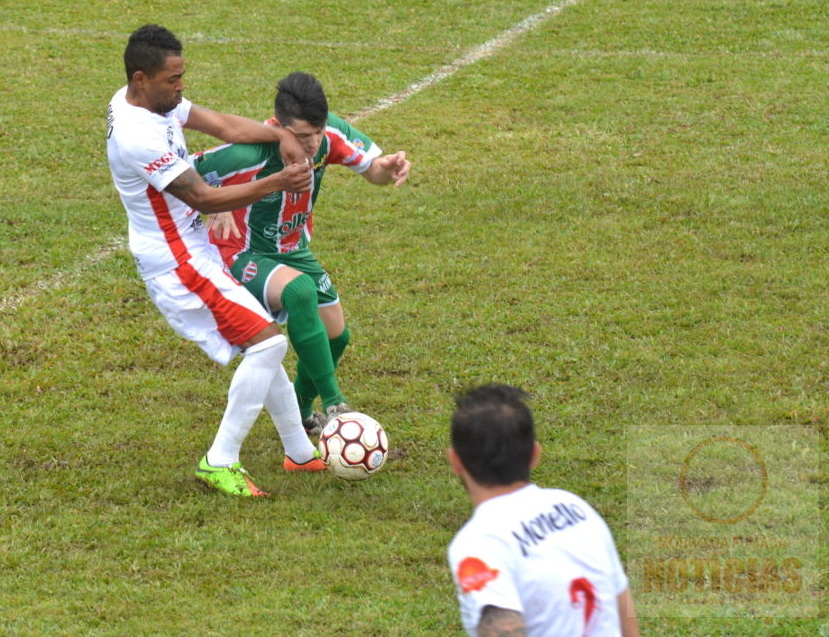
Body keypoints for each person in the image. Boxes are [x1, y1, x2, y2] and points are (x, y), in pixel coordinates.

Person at [105, 25, 327, 497]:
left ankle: (300, 453)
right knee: (268, 345)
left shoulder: (145, 99)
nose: (181, 85)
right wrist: (280, 181)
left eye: (182, 75)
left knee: (260, 341)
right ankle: (219, 459)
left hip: (192, 249)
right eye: (173, 79)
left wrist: (280, 134)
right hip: (177, 261)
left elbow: (223, 125)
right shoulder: (136, 135)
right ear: (141, 78)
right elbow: (205, 199)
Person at [192, 72, 411, 435]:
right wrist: (216, 202)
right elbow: (181, 173)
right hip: (242, 253)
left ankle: (299, 409)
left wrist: (387, 170)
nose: (311, 144)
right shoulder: (250, 151)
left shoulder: (329, 135)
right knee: (300, 292)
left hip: (294, 250)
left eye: (317, 134)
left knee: (337, 337)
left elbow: (374, 172)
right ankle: (337, 405)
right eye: (301, 136)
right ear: (278, 126)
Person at [446, 384, 639, 637]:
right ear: (534, 454)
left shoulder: (479, 544)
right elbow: (623, 611)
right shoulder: (576, 509)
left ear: (455, 461)